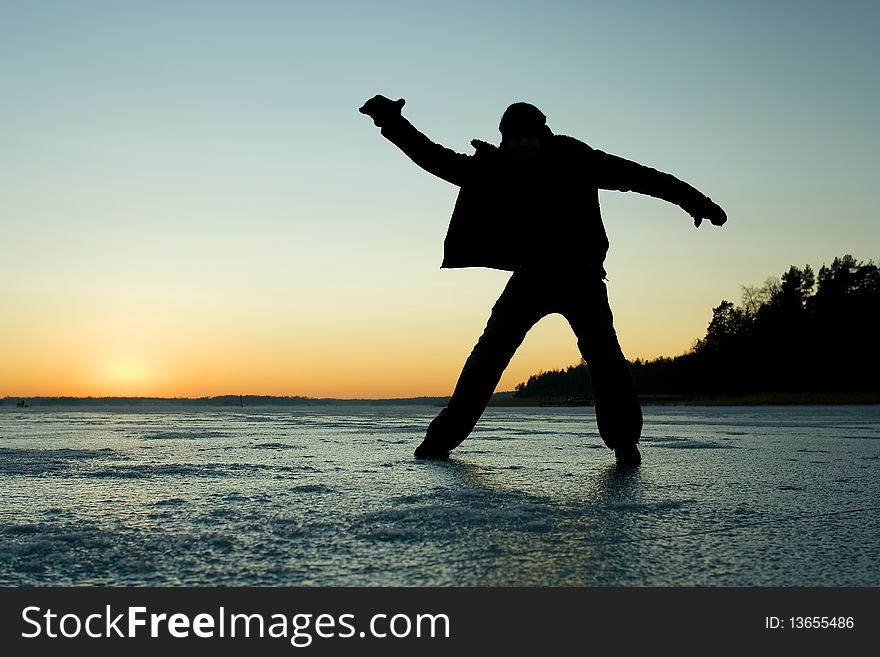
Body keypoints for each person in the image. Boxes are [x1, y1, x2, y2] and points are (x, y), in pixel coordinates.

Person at [360, 95, 727, 465]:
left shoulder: (576, 159)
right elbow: (435, 158)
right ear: (505, 139)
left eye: (531, 135)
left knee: (606, 358)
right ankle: (439, 441)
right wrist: (391, 123)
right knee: (487, 357)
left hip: (581, 277)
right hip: (531, 277)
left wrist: (695, 201)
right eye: (516, 136)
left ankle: (624, 442)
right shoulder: (495, 168)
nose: (524, 142)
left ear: (543, 133)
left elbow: (638, 176)